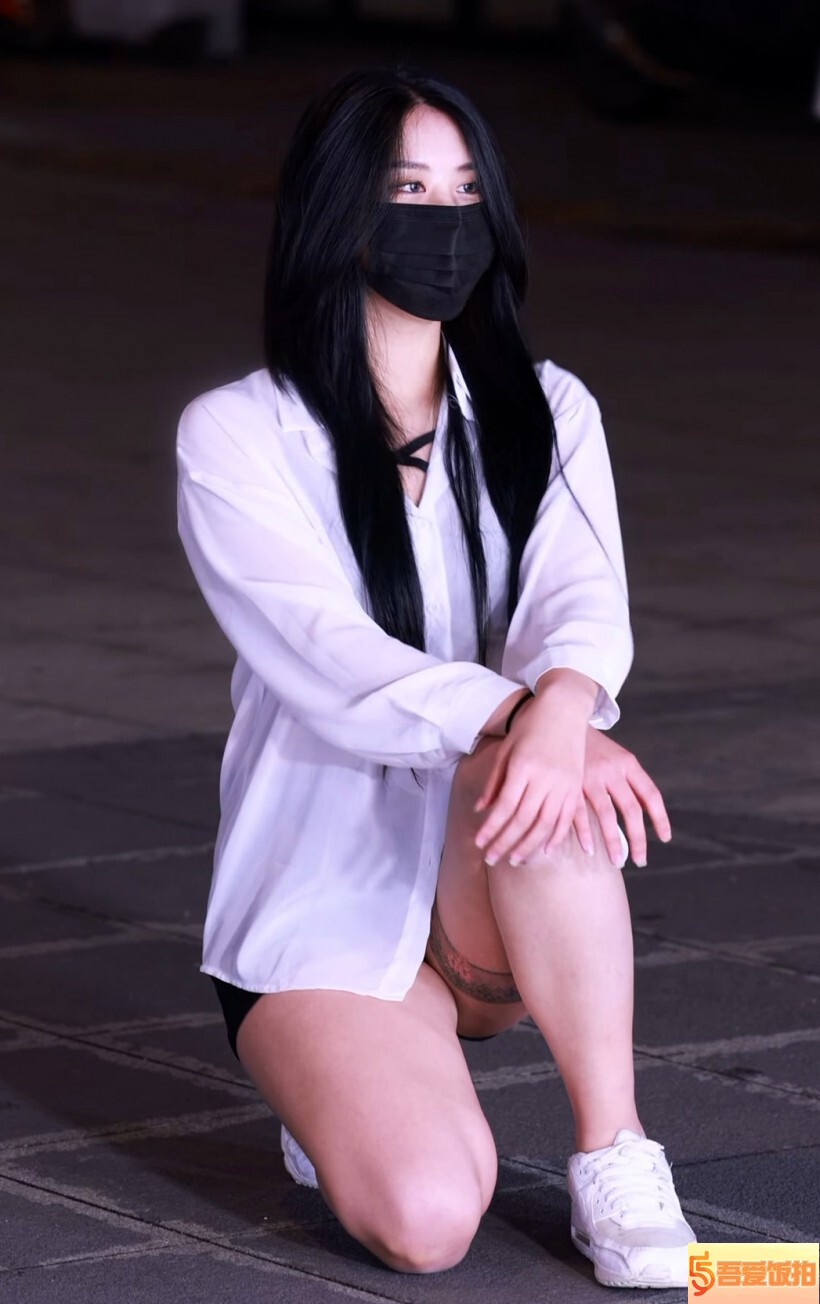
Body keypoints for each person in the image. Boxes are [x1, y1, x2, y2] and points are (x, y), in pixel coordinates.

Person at [176, 68, 696, 1289]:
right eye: (409, 190)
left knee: (547, 762)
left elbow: (581, 601)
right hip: (319, 911)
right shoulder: (239, 436)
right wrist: (525, 708)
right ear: (339, 210)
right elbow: (329, 656)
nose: (445, 220)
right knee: (425, 1222)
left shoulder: (548, 411)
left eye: (466, 192)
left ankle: (615, 1150)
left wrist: (558, 708)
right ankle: (339, 1102)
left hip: (484, 892)